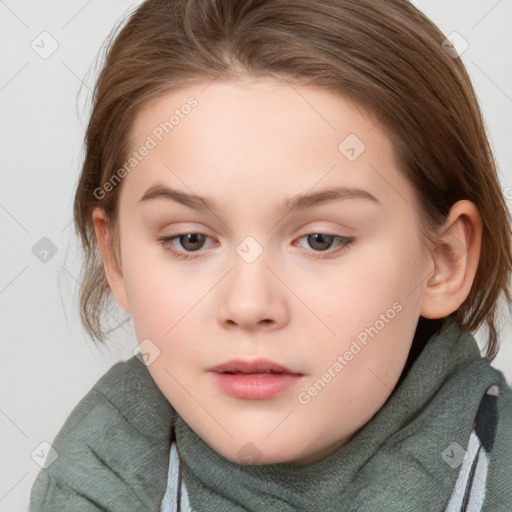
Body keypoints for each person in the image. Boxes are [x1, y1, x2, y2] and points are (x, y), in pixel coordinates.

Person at [29, 0, 512, 510]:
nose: (248, 304)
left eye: (320, 240)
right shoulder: (93, 477)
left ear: (443, 260)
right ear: (117, 256)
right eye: (190, 240)